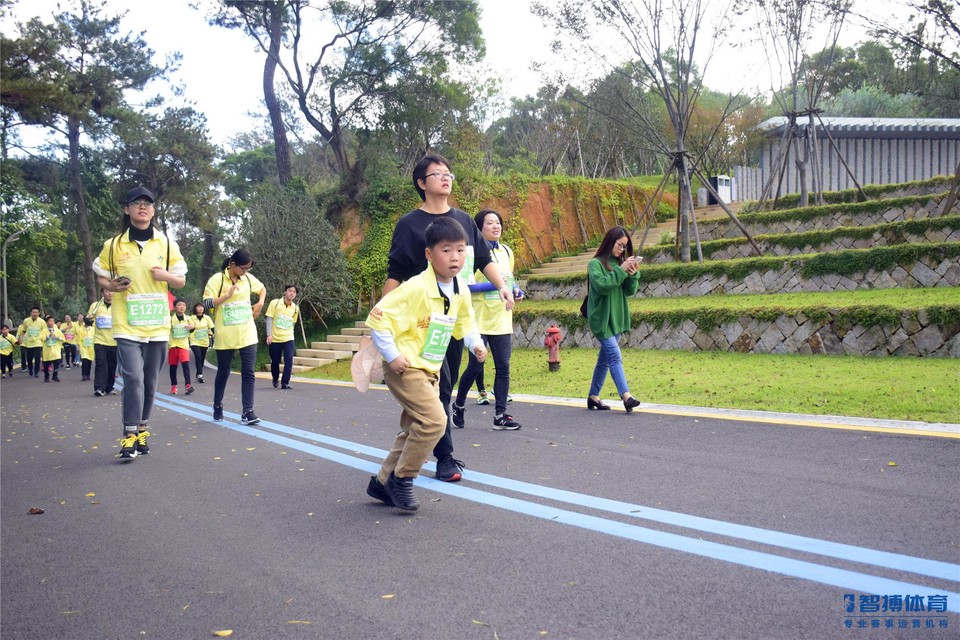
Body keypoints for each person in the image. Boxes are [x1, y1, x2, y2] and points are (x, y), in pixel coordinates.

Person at [382, 154, 513, 482]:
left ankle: (407, 455)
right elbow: (395, 273)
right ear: (421, 183)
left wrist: (503, 287)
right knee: (436, 389)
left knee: (441, 387)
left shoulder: (465, 220)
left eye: (448, 173)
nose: (445, 178)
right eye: (436, 173)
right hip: (422, 324)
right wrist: (382, 316)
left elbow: (483, 258)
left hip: (454, 317)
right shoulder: (409, 225)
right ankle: (445, 458)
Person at [365, 218, 487, 511]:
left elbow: (466, 323)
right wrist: (393, 355)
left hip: (429, 367)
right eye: (446, 250)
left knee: (413, 429)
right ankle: (403, 478)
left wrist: (476, 344)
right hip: (406, 367)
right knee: (434, 421)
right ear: (429, 255)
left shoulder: (460, 289)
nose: (455, 257)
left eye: (460, 250)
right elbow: (378, 318)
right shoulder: (415, 288)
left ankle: (381, 483)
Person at [93, 186, 187, 460]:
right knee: (132, 377)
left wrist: (166, 276)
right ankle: (129, 435)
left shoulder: (166, 244)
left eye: (147, 203)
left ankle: (143, 429)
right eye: (136, 203)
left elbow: (181, 280)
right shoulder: (114, 245)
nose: (142, 207)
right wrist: (110, 284)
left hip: (157, 323)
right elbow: (100, 275)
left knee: (149, 380)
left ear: (153, 210)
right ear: (127, 209)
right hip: (126, 323)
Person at [452, 209, 524, 431]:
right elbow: (465, 285)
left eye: (498, 222)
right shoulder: (471, 254)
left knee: (503, 366)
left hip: (501, 316)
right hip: (478, 318)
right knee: (475, 365)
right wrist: (492, 285)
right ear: (478, 228)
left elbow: (509, 280)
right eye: (490, 223)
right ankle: (459, 404)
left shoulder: (507, 252)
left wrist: (516, 290)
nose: (496, 226)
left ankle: (500, 414)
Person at [203, 249, 266, 425]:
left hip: (247, 332)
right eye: (243, 268)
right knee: (223, 372)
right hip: (226, 334)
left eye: (248, 268)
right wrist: (226, 296)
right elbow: (206, 303)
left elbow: (262, 289)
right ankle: (217, 405)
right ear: (233, 264)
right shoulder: (217, 279)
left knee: (248, 372)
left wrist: (260, 303)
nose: (246, 271)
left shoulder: (247, 278)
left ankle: (248, 412)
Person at [585, 226, 642, 413]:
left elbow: (629, 290)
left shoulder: (620, 264)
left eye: (625, 247)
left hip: (617, 318)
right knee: (615, 356)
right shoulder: (595, 264)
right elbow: (602, 286)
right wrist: (621, 270)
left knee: (605, 360)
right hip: (601, 320)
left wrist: (633, 274)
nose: (622, 250)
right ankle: (626, 396)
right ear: (610, 241)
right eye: (620, 245)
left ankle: (593, 396)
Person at [265, 284, 300, 390]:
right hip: (275, 338)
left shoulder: (295, 308)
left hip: (288, 338)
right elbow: (269, 319)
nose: (292, 293)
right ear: (285, 292)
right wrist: (269, 335)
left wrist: (291, 333)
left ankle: (285, 382)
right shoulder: (275, 303)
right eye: (290, 291)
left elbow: (293, 322)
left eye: (294, 292)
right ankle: (275, 378)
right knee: (275, 361)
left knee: (289, 360)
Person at [87, 289, 118, 396]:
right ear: (102, 293)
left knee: (112, 365)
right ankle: (99, 388)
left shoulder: (119, 305)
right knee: (101, 364)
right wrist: (89, 320)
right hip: (100, 340)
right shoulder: (95, 306)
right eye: (107, 291)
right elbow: (87, 322)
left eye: (112, 291)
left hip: (115, 341)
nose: (110, 293)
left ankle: (109, 387)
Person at [168, 298, 195, 395]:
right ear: (174, 307)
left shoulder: (188, 318)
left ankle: (188, 385)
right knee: (173, 367)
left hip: (183, 345)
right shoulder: (170, 319)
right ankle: (174, 386)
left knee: (185, 365)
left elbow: (193, 328)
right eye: (179, 305)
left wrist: (192, 327)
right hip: (173, 346)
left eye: (183, 305)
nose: (182, 307)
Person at [188, 302, 214, 384]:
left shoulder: (207, 318)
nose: (200, 309)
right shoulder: (191, 318)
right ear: (195, 309)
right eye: (198, 307)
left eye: (201, 307)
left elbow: (212, 327)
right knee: (198, 356)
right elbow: (191, 329)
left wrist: (215, 334)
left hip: (204, 341)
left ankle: (198, 373)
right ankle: (200, 374)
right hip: (194, 341)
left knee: (202, 358)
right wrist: (192, 327)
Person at [16, 306, 45, 377]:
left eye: (36, 312)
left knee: (38, 357)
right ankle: (30, 369)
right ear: (31, 313)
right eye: (33, 312)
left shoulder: (42, 322)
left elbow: (45, 332)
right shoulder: (26, 321)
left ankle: (36, 372)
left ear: (39, 313)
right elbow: (24, 330)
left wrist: (44, 339)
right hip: (28, 342)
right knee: (29, 358)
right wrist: (21, 338)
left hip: (38, 342)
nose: (35, 314)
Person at [41, 315, 65, 382]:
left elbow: (63, 339)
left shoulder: (57, 331)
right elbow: (42, 338)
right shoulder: (44, 331)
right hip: (47, 351)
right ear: (46, 323)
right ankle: (46, 376)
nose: (51, 322)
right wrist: (48, 337)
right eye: (50, 321)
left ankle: (55, 375)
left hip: (56, 351)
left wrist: (56, 337)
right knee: (46, 366)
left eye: (52, 321)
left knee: (56, 364)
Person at [76, 313, 94, 381]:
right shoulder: (81, 329)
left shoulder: (93, 329)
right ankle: (84, 375)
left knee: (89, 362)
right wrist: (78, 347)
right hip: (83, 347)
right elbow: (79, 339)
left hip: (91, 348)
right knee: (84, 361)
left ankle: (88, 374)